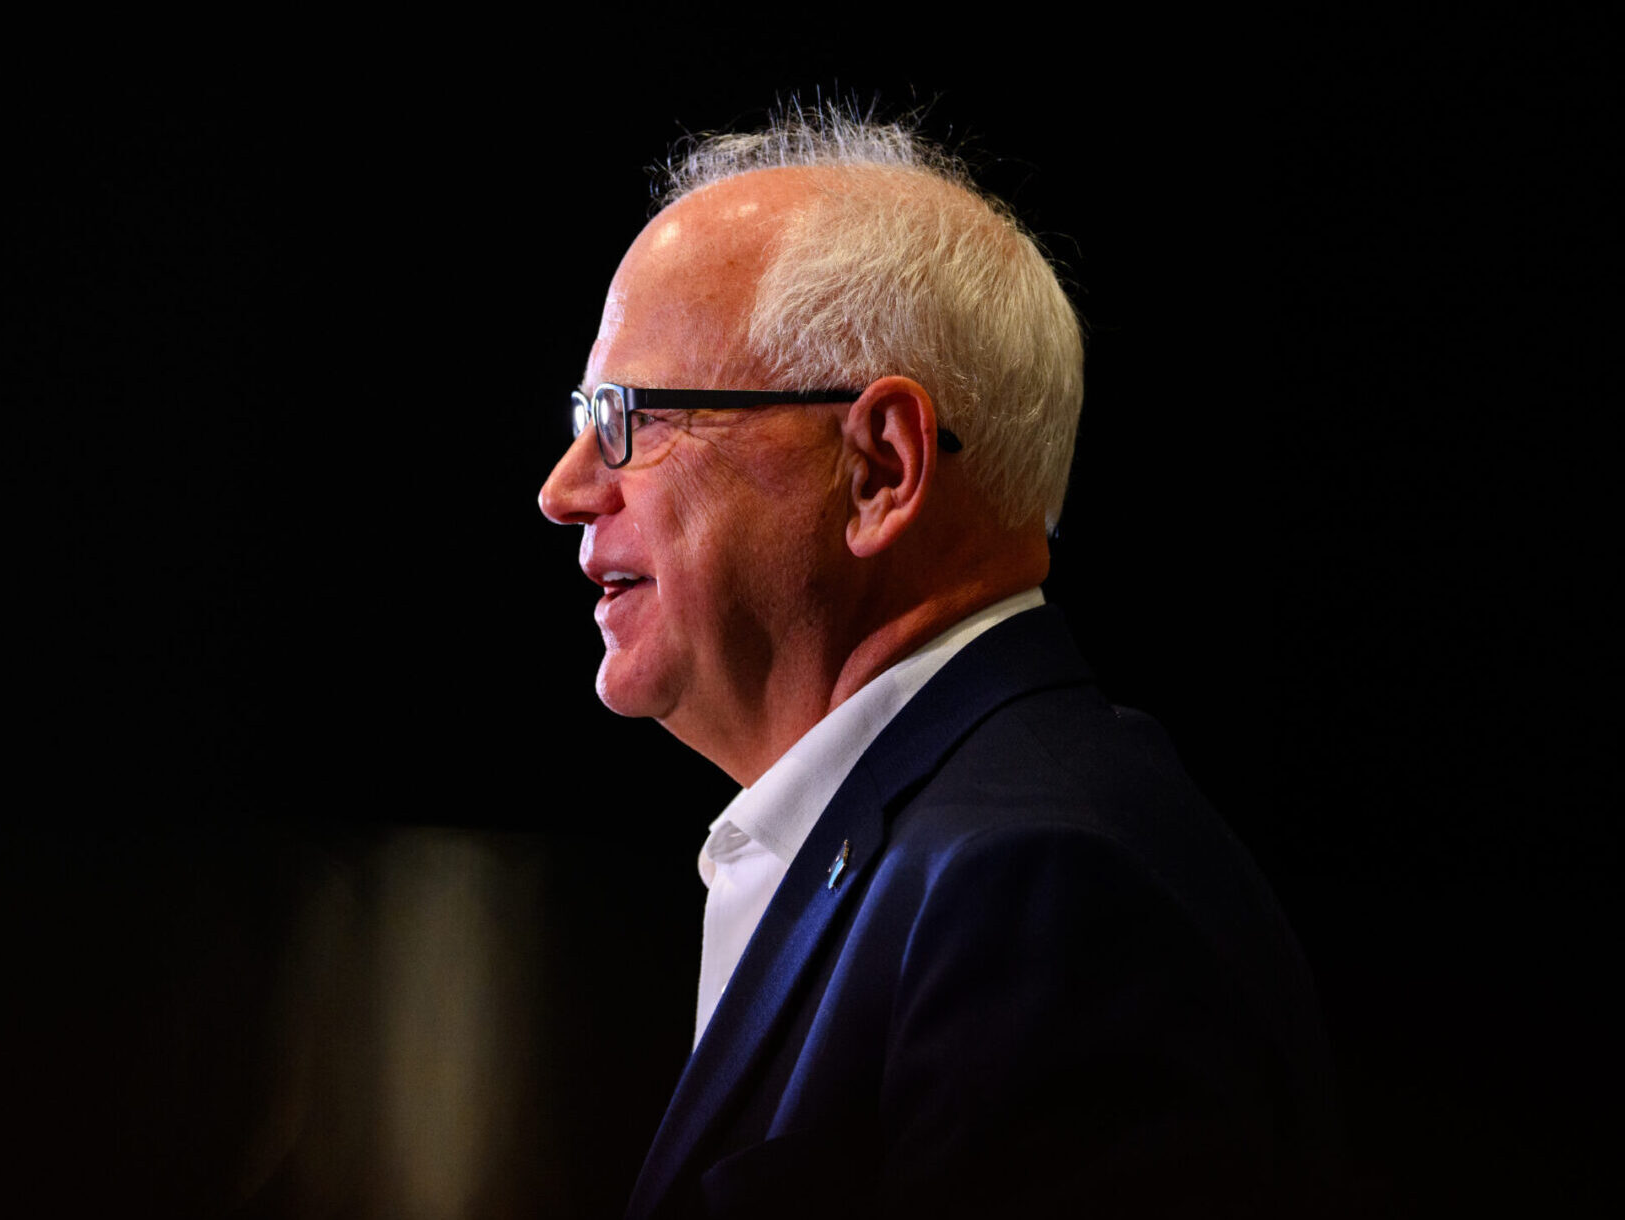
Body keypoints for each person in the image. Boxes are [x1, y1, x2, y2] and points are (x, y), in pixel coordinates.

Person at [538, 110, 1338, 1218]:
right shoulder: (935, 844)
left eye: (627, 418)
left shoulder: (1040, 888)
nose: (566, 487)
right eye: (583, 415)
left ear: (881, 468)